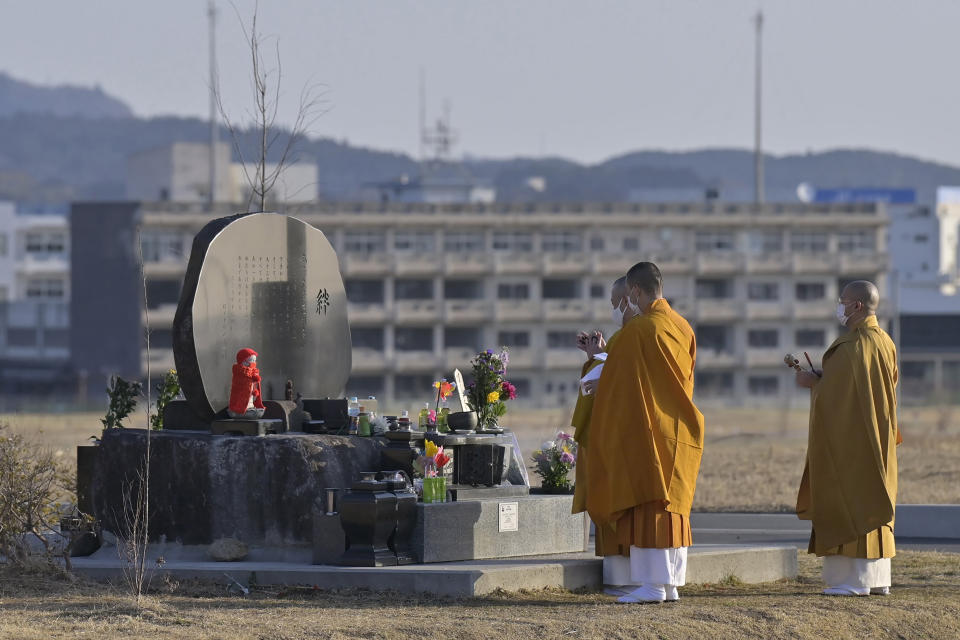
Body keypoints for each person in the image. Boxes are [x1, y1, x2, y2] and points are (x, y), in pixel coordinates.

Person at [586, 262, 704, 603]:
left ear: (634, 291)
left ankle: (652, 586)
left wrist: (595, 378)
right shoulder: (683, 327)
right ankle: (669, 585)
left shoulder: (638, 331)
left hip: (647, 430)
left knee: (649, 503)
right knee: (673, 507)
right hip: (678, 430)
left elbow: (616, 383)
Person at [795, 280, 900, 596]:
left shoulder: (851, 347)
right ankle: (877, 578)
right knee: (874, 496)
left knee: (848, 499)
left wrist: (812, 383)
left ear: (857, 306)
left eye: (842, 301)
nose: (839, 306)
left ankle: (850, 581)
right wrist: (825, 380)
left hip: (852, 441)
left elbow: (834, 398)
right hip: (879, 438)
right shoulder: (885, 342)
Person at [570, 277, 640, 595]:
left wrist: (600, 359)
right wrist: (595, 356)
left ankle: (630, 579)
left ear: (629, 298)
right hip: (608, 428)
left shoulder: (638, 335)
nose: (613, 309)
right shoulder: (620, 337)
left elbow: (631, 380)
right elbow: (611, 373)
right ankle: (618, 577)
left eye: (615, 303)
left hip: (625, 434)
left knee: (620, 502)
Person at [228, 348, 266, 418]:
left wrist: (255, 390)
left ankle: (250, 406)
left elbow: (254, 385)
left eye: (255, 360)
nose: (254, 363)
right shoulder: (240, 373)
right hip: (241, 401)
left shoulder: (253, 373)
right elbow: (239, 388)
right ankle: (243, 408)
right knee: (244, 402)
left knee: (250, 401)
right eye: (252, 360)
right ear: (244, 362)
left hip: (251, 400)